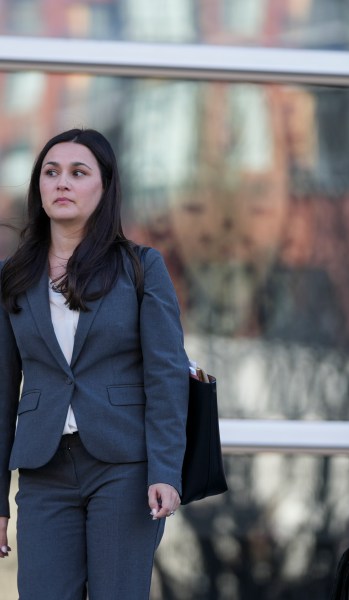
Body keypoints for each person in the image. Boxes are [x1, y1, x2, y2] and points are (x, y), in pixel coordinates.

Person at [0, 128, 189, 599]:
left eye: (78, 172)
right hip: (44, 471)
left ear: (104, 188)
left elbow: (166, 376)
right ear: (38, 187)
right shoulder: (14, 277)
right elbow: (2, 390)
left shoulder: (141, 267)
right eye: (51, 172)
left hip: (124, 467)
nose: (62, 182)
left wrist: (166, 469)